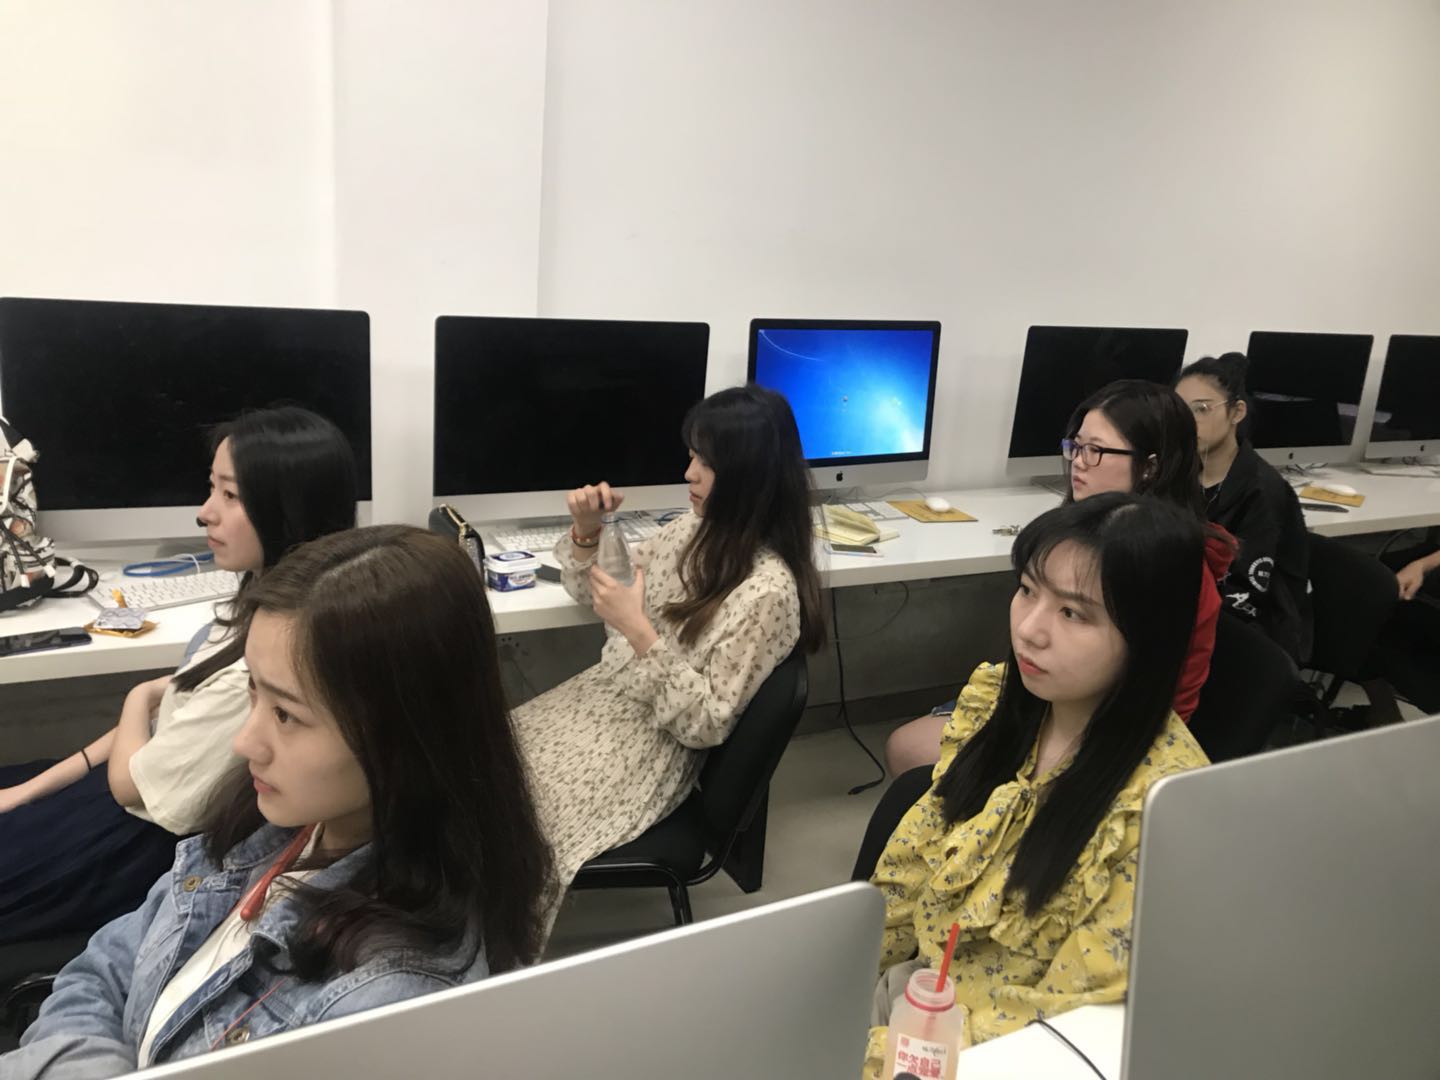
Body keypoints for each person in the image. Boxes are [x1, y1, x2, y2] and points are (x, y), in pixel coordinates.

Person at [3, 526, 555, 1078]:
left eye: (286, 714)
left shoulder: (380, 1005)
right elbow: (101, 969)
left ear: (408, 736)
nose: (244, 743)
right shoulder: (268, 829)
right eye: (254, 692)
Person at [861, 494, 1210, 1077]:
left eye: (1073, 613)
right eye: (1027, 590)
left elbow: (1053, 1023)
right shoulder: (1004, 709)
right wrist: (834, 978)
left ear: (1146, 636)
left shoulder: (1153, 813)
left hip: (982, 1054)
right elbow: (909, 870)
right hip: (909, 997)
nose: (1029, 629)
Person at [0, 406, 356, 944]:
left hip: (124, 843)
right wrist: (26, 792)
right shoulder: (254, 606)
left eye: (230, 495)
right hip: (119, 800)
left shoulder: (266, 666)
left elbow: (131, 781)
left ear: (286, 507)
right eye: (212, 488)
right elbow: (165, 721)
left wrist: (138, 693)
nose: (205, 513)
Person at [512, 384, 825, 896]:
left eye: (706, 463)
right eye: (692, 456)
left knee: (506, 822)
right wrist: (586, 532)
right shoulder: (693, 531)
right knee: (478, 762)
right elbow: (599, 593)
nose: (689, 473)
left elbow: (705, 723)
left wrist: (639, 632)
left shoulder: (767, 592)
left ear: (749, 476)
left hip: (650, 746)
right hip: (604, 702)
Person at [884, 380, 1230, 777]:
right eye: (1076, 446)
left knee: (909, 750)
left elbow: (1149, 700)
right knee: (908, 747)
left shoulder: (1169, 566)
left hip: (1104, 728)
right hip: (1054, 701)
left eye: (1096, 451)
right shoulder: (1084, 534)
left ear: (1151, 466)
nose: (1078, 462)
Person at [1175, 353, 1313, 663]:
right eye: (1180, 411)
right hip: (1199, 610)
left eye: (1201, 409)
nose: (1187, 422)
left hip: (1256, 632)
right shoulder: (1186, 472)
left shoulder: (1262, 491)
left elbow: (1245, 597)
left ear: (1237, 412)